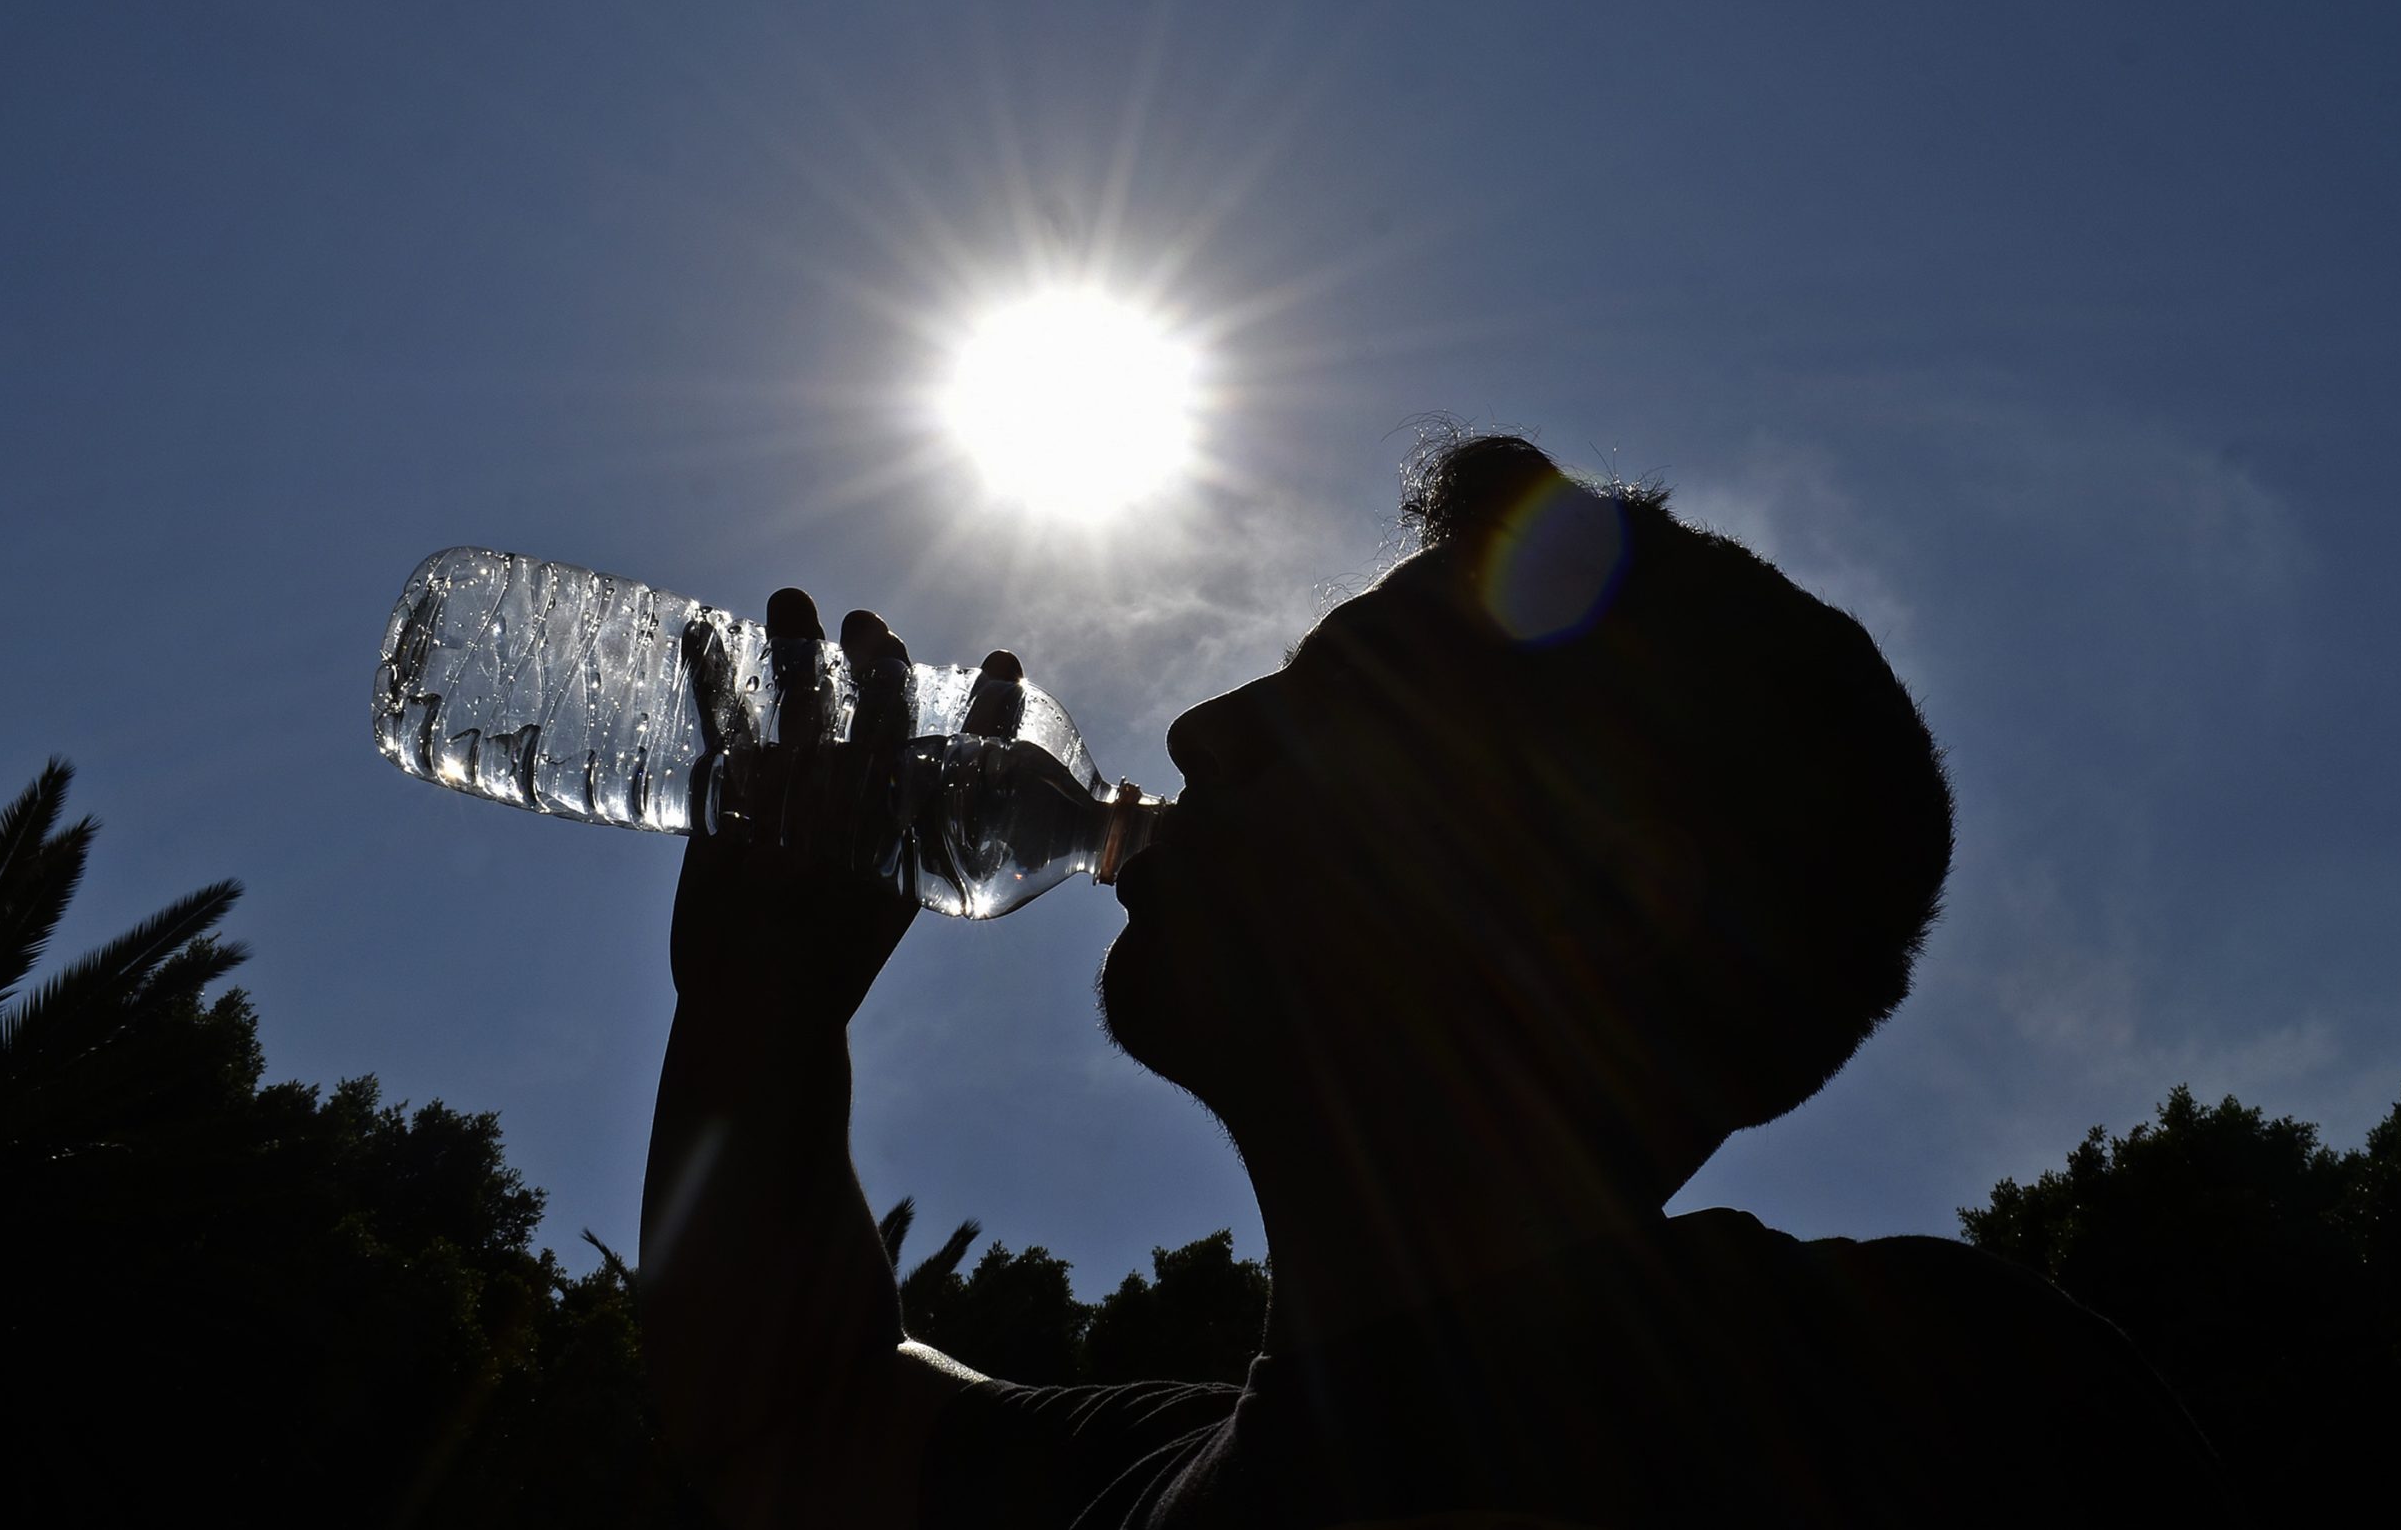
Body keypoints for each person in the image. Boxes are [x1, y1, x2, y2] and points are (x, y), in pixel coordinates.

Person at [641, 433, 2234, 1528]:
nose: (1200, 733)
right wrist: (757, 1018)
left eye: (1351, 699)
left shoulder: (1941, 1411)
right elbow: (784, 1422)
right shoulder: (1152, 1479)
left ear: (1603, 896)